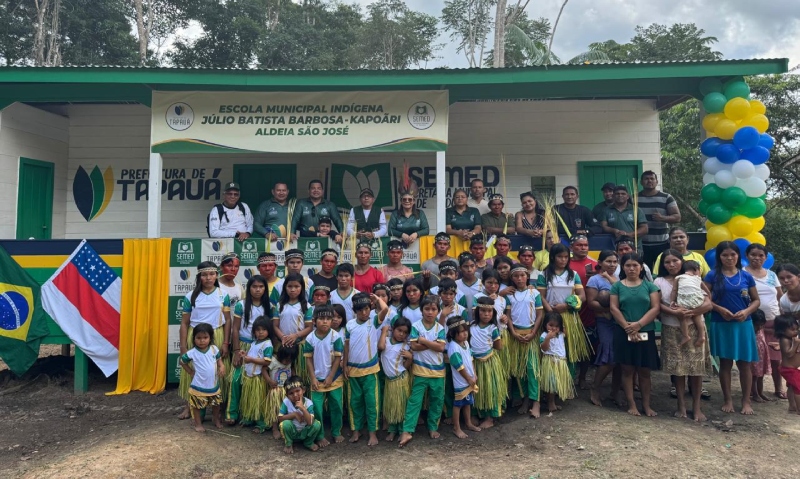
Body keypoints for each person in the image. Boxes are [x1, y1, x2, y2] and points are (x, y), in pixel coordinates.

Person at [654, 250, 713, 421]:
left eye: (675, 261)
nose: (671, 265)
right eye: (667, 262)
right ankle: (681, 406)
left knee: (696, 370)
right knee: (678, 371)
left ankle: (696, 407)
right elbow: (657, 304)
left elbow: (708, 303)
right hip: (672, 329)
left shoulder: (692, 279)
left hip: (695, 329)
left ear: (682, 262)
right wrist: (675, 313)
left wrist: (691, 312)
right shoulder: (658, 281)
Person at [703, 241, 761, 415]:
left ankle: (746, 401)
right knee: (726, 364)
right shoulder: (712, 276)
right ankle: (728, 399)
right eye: (725, 255)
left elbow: (756, 300)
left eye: (733, 254)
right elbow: (705, 300)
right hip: (721, 323)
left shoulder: (746, 276)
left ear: (738, 256)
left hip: (743, 324)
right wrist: (720, 309)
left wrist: (746, 311)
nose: (729, 258)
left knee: (745, 364)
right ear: (719, 257)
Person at [610, 253, 661, 417]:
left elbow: (655, 308)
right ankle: (631, 404)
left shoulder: (650, 286)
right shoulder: (617, 286)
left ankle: (646, 405)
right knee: (627, 369)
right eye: (628, 265)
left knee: (645, 371)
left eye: (635, 265)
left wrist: (639, 324)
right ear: (623, 268)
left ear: (641, 267)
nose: (631, 269)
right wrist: (627, 327)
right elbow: (614, 308)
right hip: (623, 332)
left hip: (646, 331)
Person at [178, 262, 231, 420]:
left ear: (216, 276)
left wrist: (225, 342)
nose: (208, 278)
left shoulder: (223, 295)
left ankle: (218, 408)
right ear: (199, 277)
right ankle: (190, 406)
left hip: (217, 335)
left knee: (216, 371)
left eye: (211, 274)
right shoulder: (190, 296)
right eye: (204, 274)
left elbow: (227, 321)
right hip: (196, 337)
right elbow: (184, 323)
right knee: (193, 372)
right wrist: (182, 345)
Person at [398, 295, 446, 448]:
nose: (430, 312)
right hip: (419, 371)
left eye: (433, 309)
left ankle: (432, 427)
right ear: (421, 310)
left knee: (436, 401)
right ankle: (407, 430)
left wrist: (424, 341)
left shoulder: (440, 328)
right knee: (414, 401)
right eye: (427, 309)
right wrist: (433, 344)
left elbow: (441, 348)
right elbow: (414, 347)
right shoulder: (416, 326)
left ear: (438, 311)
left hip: (438, 372)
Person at [344, 293, 388, 446]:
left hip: (370, 371)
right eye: (360, 310)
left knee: (372, 403)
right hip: (353, 370)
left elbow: (385, 309)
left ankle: (372, 433)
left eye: (367, 309)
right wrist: (345, 365)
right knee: (354, 402)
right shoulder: (349, 325)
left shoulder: (373, 322)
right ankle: (356, 430)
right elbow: (347, 346)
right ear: (355, 310)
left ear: (371, 308)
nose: (364, 313)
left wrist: (377, 300)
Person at [227, 275, 271, 425]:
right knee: (236, 380)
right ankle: (232, 413)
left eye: (261, 287)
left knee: (257, 383)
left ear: (265, 288)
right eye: (254, 287)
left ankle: (254, 415)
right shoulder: (241, 305)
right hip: (244, 347)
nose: (258, 290)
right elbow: (235, 328)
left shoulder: (271, 306)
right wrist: (236, 350)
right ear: (249, 288)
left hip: (262, 347)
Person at [536, 244, 588, 365]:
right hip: (550, 318)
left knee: (570, 349)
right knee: (551, 348)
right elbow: (541, 296)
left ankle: (569, 377)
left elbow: (582, 296)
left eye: (566, 257)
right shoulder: (543, 275)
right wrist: (551, 312)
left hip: (568, 315)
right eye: (560, 257)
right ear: (553, 257)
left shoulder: (573, 274)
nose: (563, 260)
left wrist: (566, 306)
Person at [744, 244, 784, 399]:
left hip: (774, 322)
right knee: (755, 360)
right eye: (753, 254)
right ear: (747, 256)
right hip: (754, 324)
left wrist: (783, 317)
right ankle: (753, 391)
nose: (757, 258)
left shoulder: (772, 275)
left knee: (776, 359)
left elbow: (780, 296)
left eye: (761, 255)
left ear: (766, 258)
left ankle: (778, 389)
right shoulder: (742, 274)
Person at [304, 305, 345, 446]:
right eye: (322, 319)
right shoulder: (310, 338)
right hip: (317, 379)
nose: (325, 322)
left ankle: (336, 432)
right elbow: (308, 359)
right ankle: (320, 435)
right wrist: (313, 378)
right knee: (317, 408)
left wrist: (330, 376)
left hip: (334, 378)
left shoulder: (336, 336)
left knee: (336, 406)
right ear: (315, 321)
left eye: (328, 319)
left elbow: (338, 358)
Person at [507, 264, 544, 418]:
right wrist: (513, 332)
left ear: (527, 276)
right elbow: (508, 316)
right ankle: (525, 399)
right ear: (512, 278)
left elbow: (540, 314)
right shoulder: (509, 294)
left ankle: (536, 402)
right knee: (519, 371)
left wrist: (534, 332)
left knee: (532, 369)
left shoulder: (533, 293)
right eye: (516, 276)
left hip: (531, 335)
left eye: (522, 275)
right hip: (515, 335)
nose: (520, 278)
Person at [586, 250, 622, 407]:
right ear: (599, 263)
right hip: (604, 321)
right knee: (609, 354)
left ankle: (615, 392)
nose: (612, 264)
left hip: (620, 322)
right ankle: (595, 387)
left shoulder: (621, 278)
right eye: (608, 261)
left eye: (615, 261)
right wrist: (608, 310)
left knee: (620, 358)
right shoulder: (594, 280)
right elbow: (591, 302)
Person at [180, 323, 225, 433]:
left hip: (213, 385)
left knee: (216, 404)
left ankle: (215, 419)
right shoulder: (192, 353)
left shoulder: (214, 349)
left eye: (205, 338)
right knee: (197, 406)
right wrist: (190, 371)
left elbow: (219, 361)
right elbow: (182, 361)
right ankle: (198, 423)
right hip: (199, 385)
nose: (202, 341)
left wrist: (222, 366)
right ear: (194, 338)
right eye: (198, 338)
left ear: (210, 338)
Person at [470, 296, 506, 428]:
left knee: (491, 389)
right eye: (483, 311)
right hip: (475, 364)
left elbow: (498, 346)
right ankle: (475, 414)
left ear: (493, 313)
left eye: (489, 312)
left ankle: (490, 417)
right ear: (477, 312)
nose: (486, 314)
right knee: (476, 389)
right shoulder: (471, 327)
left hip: (489, 362)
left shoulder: (493, 328)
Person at [569, 234, 598, 387]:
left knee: (587, 347)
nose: (583, 248)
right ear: (572, 247)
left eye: (585, 245)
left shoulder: (595, 264)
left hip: (588, 311)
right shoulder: (565, 264)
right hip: (570, 310)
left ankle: (582, 378)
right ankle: (569, 377)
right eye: (579, 245)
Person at [379, 316, 413, 442]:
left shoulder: (405, 346)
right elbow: (381, 347)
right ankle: (392, 430)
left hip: (401, 379)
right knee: (391, 406)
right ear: (393, 329)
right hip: (389, 380)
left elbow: (405, 366)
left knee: (402, 406)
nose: (401, 334)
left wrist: (410, 358)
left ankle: (401, 430)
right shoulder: (386, 341)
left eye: (405, 332)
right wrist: (383, 332)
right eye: (399, 330)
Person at [237, 316, 274, 433]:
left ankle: (261, 423)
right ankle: (249, 418)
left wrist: (251, 360)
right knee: (249, 399)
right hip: (249, 376)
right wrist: (245, 354)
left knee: (259, 401)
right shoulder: (254, 343)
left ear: (268, 330)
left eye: (263, 329)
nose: (261, 332)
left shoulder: (268, 344)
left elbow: (267, 361)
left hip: (259, 378)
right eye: (258, 330)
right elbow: (252, 355)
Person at [446, 315, 481, 439]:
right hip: (461, 381)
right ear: (452, 333)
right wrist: (469, 378)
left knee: (467, 403)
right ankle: (457, 428)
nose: (464, 334)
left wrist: (474, 374)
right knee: (458, 404)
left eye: (465, 330)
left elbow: (471, 359)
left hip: (469, 379)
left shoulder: (465, 343)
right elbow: (459, 367)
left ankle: (468, 423)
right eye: (461, 332)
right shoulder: (453, 347)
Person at [274, 273, 313, 382]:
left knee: (300, 375)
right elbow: (275, 326)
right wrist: (283, 337)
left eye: (296, 286)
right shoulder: (279, 305)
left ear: (302, 288)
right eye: (290, 286)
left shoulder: (306, 306)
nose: (292, 290)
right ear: (285, 287)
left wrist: (296, 336)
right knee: (283, 376)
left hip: (300, 346)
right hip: (283, 346)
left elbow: (309, 327)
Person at [638, 171, 681, 267]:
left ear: (657, 182)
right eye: (646, 179)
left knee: (663, 271)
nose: (649, 181)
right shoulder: (634, 198)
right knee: (644, 272)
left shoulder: (666, 197)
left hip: (662, 243)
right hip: (641, 244)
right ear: (641, 182)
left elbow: (677, 217)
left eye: (652, 179)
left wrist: (663, 218)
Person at [277, 376, 325, 454]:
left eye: (297, 391)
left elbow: (310, 422)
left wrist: (303, 409)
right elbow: (280, 418)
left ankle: (308, 442)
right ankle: (289, 443)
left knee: (316, 424)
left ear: (303, 390)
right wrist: (294, 414)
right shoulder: (286, 402)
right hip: (293, 432)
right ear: (287, 395)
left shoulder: (308, 403)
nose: (295, 395)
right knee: (284, 424)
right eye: (291, 393)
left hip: (306, 432)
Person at [539, 311, 576, 413]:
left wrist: (562, 328)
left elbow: (566, 334)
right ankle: (550, 403)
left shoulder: (560, 334)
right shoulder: (544, 335)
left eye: (556, 326)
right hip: (550, 362)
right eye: (551, 325)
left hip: (560, 362)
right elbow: (544, 348)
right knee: (551, 384)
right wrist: (547, 339)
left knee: (556, 385)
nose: (553, 328)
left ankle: (553, 402)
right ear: (545, 324)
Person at [670, 261, 710, 347]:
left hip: (684, 300)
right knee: (697, 316)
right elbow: (706, 290)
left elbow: (674, 291)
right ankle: (702, 336)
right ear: (696, 270)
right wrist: (709, 296)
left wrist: (672, 301)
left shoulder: (678, 277)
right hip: (697, 300)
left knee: (682, 316)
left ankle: (686, 335)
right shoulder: (697, 279)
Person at [601, 186, 648, 254]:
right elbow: (603, 226)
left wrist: (628, 234)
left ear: (628, 196)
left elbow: (645, 229)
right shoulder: (606, 210)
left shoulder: (636, 210)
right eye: (617, 194)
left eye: (623, 194)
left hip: (634, 248)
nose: (620, 195)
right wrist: (614, 231)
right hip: (614, 248)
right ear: (613, 196)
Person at [266, 345, 297, 439]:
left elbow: (292, 369)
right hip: (276, 390)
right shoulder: (273, 361)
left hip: (287, 390)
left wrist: (294, 379)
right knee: (275, 409)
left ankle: (285, 427)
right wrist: (269, 381)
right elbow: (264, 369)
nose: (288, 362)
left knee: (287, 409)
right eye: (286, 359)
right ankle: (274, 428)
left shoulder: (290, 362)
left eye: (290, 360)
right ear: (281, 355)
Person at [775, 314, 800, 415]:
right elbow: (789, 354)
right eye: (792, 330)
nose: (795, 332)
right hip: (789, 370)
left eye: (796, 329)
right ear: (782, 330)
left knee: (792, 387)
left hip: (791, 369)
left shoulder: (791, 338)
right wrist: (795, 345)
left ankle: (792, 406)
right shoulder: (785, 340)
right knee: (798, 388)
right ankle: (799, 409)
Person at [751, 311, 771, 403]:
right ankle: (755, 394)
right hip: (754, 357)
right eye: (757, 325)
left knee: (761, 375)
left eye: (761, 325)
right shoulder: (750, 332)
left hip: (762, 356)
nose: (759, 327)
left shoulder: (760, 330)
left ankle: (760, 392)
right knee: (754, 376)